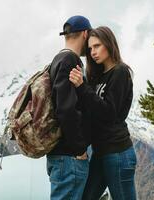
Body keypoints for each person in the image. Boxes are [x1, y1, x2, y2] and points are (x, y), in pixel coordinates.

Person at [69, 26, 137, 200]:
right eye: (90, 48)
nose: (93, 52)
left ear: (109, 43)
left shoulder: (120, 72)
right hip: (100, 153)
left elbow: (109, 114)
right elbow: (91, 111)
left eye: (97, 46)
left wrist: (82, 87)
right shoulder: (99, 76)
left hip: (118, 154)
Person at [46, 15, 92, 200]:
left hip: (58, 154)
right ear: (85, 34)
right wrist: (79, 149)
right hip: (69, 156)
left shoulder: (56, 60)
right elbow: (66, 109)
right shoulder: (70, 61)